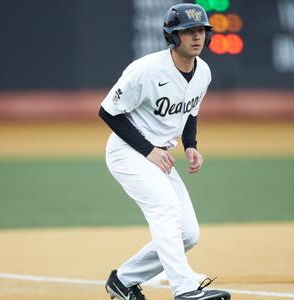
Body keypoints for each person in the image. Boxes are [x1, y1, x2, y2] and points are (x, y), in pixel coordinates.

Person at [98, 3, 231, 300]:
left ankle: (123, 280)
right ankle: (184, 289)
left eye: (201, 30)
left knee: (188, 233)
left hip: (157, 155)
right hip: (128, 151)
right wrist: (148, 150)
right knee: (167, 211)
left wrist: (191, 145)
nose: (197, 37)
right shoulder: (145, 70)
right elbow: (108, 111)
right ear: (172, 36)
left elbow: (190, 111)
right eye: (188, 31)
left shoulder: (203, 72)